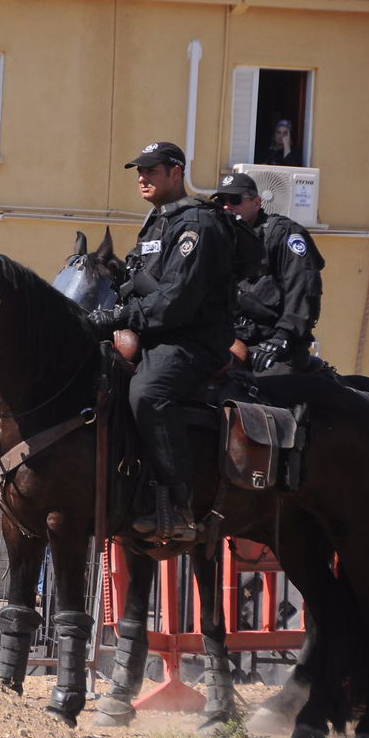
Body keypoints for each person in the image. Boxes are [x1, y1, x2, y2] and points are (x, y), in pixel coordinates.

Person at [87, 141, 236, 542]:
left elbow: (176, 302)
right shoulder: (157, 222)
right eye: (139, 171)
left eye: (151, 170)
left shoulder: (198, 224)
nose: (142, 177)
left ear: (176, 172)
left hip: (191, 340)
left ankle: (179, 506)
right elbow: (136, 284)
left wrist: (117, 318)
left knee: (148, 393)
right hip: (153, 334)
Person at [212, 172, 325, 375]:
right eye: (221, 201)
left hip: (276, 344)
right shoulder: (221, 240)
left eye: (235, 200)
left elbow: (303, 289)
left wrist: (283, 337)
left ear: (257, 202)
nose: (227, 206)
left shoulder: (284, 234)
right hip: (231, 339)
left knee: (266, 392)